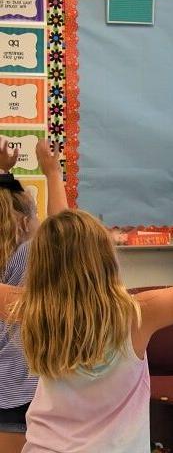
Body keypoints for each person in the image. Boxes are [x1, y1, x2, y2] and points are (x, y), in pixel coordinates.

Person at [0, 178, 173, 452]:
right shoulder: (136, 314)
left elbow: (60, 245)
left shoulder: (31, 308)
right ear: (105, 257)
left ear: (40, 264)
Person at [0, 139, 68, 453]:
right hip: (20, 392)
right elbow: (62, 233)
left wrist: (3, 172)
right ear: (26, 222)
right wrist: (52, 172)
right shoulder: (29, 255)